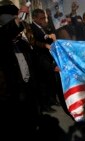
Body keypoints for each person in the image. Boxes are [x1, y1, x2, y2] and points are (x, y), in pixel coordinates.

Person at [0, 0, 40, 139]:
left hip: (29, 89)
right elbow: (6, 33)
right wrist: (18, 17)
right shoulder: (3, 43)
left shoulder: (22, 43)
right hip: (12, 94)